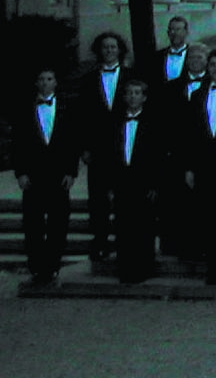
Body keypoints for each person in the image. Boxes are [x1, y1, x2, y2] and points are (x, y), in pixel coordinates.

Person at [16, 67, 79, 286]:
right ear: (36, 83)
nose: (45, 83)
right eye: (41, 79)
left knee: (58, 223)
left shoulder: (67, 108)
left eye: (49, 79)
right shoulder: (24, 109)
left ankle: (52, 266)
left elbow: (73, 142)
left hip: (59, 175)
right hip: (33, 176)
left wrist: (71, 172)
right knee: (32, 223)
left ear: (56, 83)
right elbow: (18, 143)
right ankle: (36, 267)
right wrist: (21, 172)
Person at [77, 29, 131, 261]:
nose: (109, 51)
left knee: (123, 198)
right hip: (98, 149)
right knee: (97, 199)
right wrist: (84, 147)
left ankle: (124, 241)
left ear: (119, 50)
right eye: (105, 47)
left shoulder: (132, 76)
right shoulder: (88, 80)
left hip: (124, 147)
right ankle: (99, 241)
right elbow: (82, 117)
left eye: (113, 46)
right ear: (99, 50)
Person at [107, 78, 163, 283]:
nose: (132, 97)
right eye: (129, 93)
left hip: (144, 182)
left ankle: (144, 267)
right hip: (122, 180)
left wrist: (155, 184)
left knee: (144, 226)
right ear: (124, 97)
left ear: (144, 97)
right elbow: (110, 154)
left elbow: (158, 156)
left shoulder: (153, 122)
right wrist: (111, 183)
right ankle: (125, 268)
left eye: (137, 93)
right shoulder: (115, 122)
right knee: (123, 225)